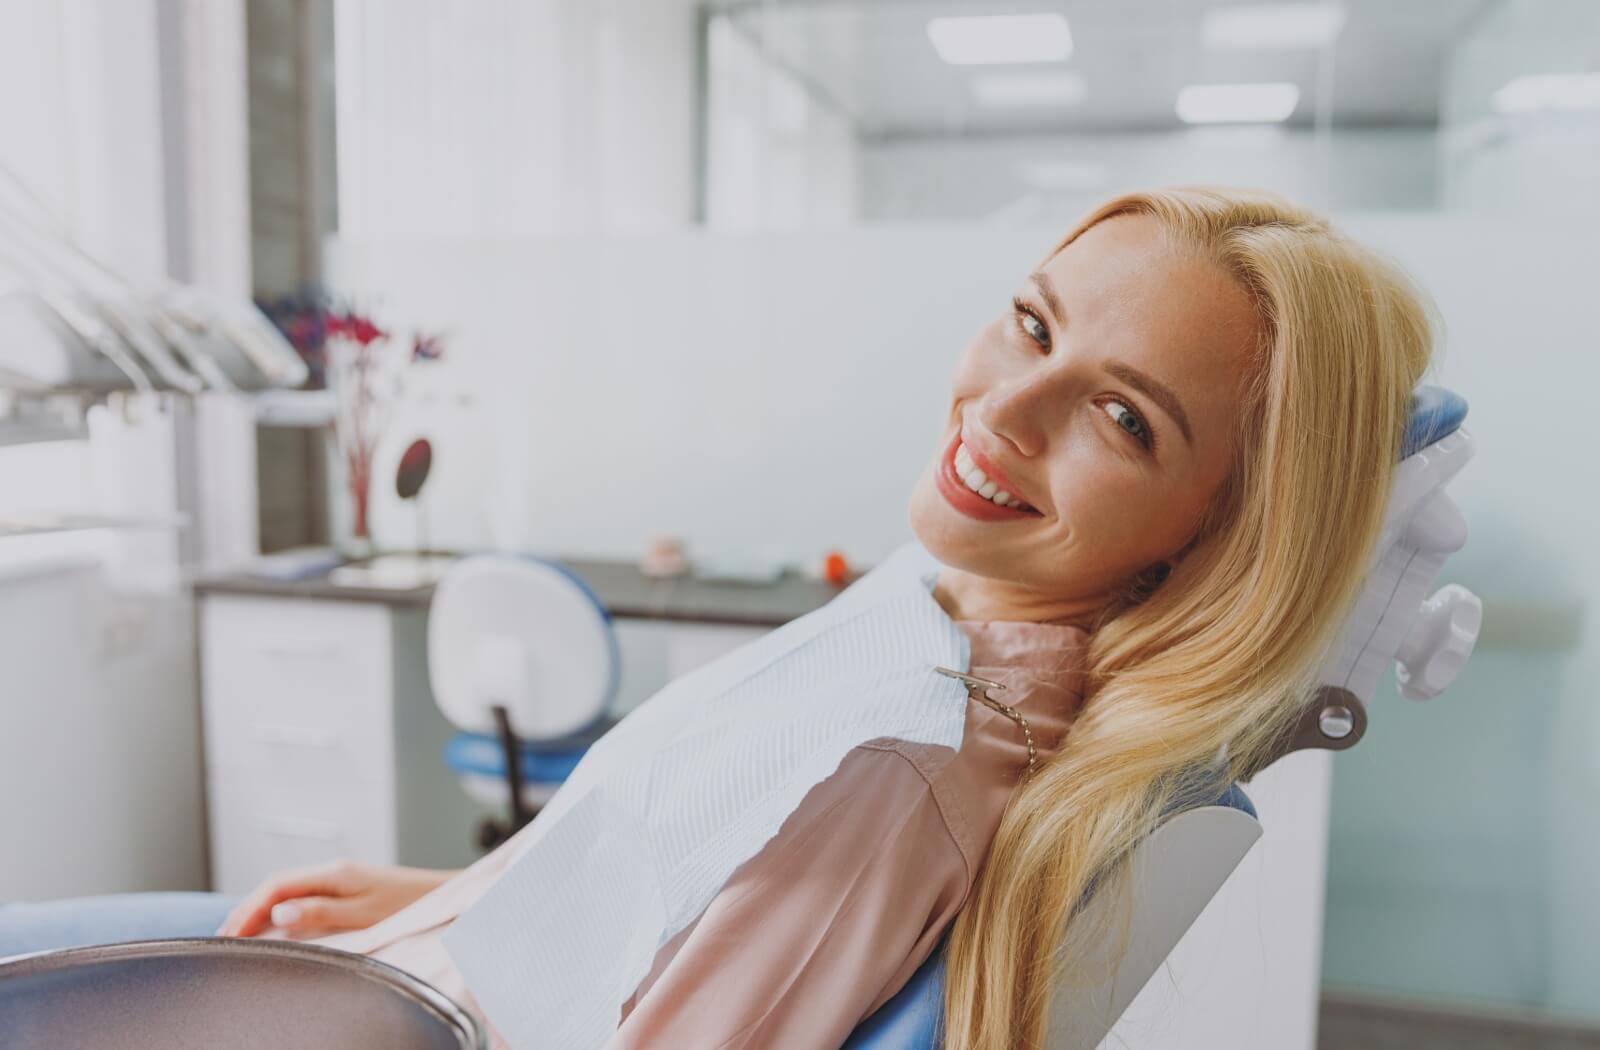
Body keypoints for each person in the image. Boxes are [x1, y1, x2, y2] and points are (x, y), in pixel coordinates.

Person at [0, 187, 1432, 1049]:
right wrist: (452, 900)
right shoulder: (927, 608)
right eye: (1034, 322)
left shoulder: (907, 761)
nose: (1003, 406)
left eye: (1122, 418)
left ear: (1217, 530)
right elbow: (656, 861)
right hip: (433, 962)